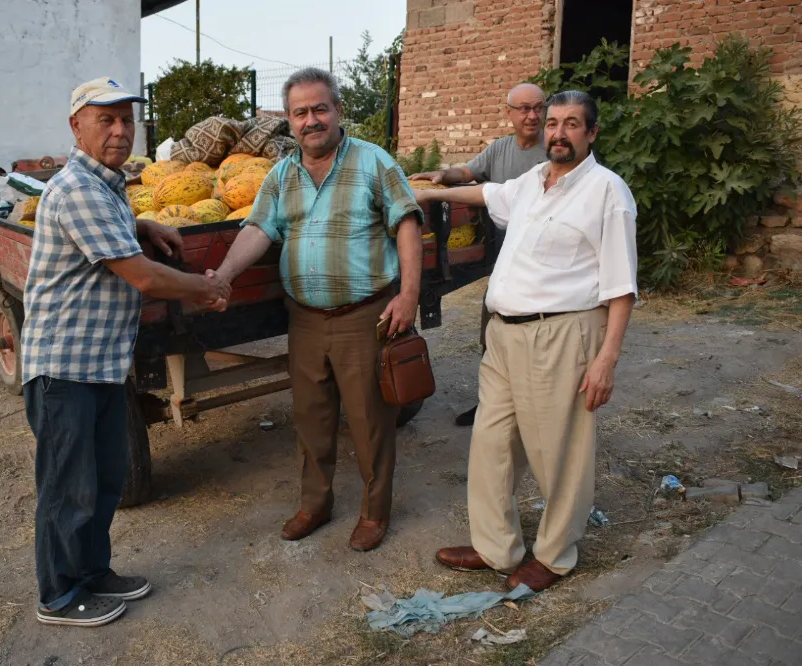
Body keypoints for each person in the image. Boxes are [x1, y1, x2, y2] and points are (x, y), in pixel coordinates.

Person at [20, 77, 230, 627]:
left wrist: (141, 220)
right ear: (76, 127)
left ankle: (93, 572)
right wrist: (207, 289)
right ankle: (58, 595)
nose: (119, 130)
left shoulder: (106, 186)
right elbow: (140, 276)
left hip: (100, 363)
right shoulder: (78, 190)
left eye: (125, 120)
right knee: (69, 488)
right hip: (63, 368)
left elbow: (113, 231)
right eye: (105, 120)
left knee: (106, 477)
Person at [413, 90, 637, 592]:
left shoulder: (607, 192)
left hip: (561, 335)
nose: (558, 132)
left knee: (558, 449)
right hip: (503, 336)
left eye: (572, 123)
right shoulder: (532, 182)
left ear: (592, 133)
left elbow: (622, 287)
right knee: (492, 444)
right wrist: (431, 193)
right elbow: (486, 195)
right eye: (553, 123)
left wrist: (607, 359)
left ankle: (556, 555)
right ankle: (496, 546)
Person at [213, 68, 423, 552]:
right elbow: (258, 228)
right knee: (310, 419)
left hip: (362, 316)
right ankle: (316, 503)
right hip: (305, 318)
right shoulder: (281, 175)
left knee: (370, 421)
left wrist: (408, 295)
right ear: (288, 121)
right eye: (300, 112)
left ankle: (374, 512)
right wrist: (223, 275)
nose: (311, 120)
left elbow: (407, 224)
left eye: (319, 108)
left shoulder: (373, 162)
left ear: (338, 111)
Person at [410, 82, 547, 427]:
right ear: (510, 114)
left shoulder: (556, 149)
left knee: (540, 338)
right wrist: (443, 175)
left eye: (538, 108)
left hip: (546, 265)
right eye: (524, 109)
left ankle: (536, 410)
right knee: (493, 331)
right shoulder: (501, 149)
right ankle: (492, 403)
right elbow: (470, 174)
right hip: (506, 262)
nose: (532, 116)